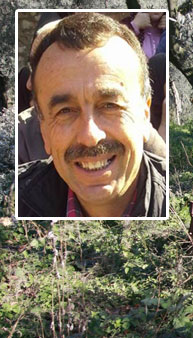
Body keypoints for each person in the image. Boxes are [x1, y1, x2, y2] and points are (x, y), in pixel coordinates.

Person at [17, 12, 167, 218]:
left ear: (144, 114)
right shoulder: (12, 201)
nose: (90, 137)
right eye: (65, 111)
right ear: (43, 129)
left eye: (109, 105)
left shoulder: (184, 204)